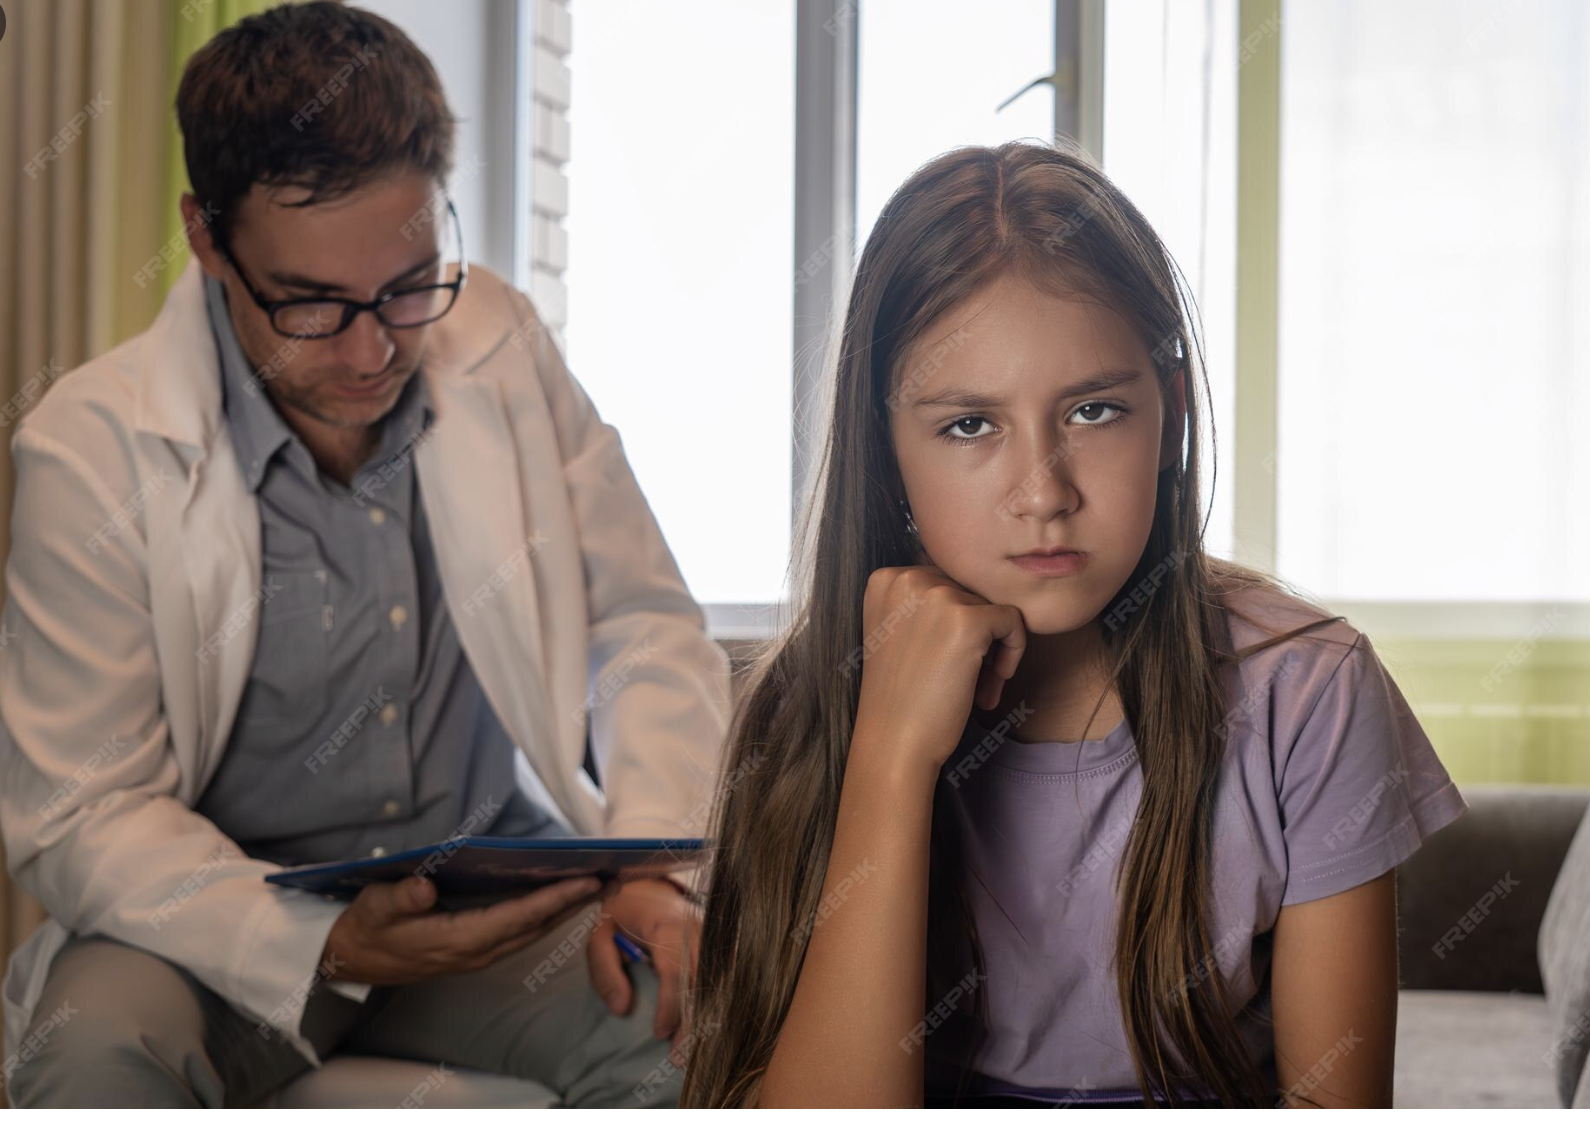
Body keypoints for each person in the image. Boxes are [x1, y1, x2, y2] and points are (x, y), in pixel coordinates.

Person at [0, 2, 729, 1108]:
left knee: (694, 1025)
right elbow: (80, 810)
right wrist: (325, 946)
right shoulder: (89, 449)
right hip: (214, 934)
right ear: (205, 239)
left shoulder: (502, 344)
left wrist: (650, 866)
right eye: (311, 304)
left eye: (407, 284)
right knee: (91, 1060)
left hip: (489, 907)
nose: (373, 349)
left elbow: (643, 622)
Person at [680, 139, 1468, 1108]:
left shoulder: (1309, 692)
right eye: (971, 425)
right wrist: (889, 757)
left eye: (1093, 411)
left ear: (1171, 417)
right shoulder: (805, 706)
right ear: (888, 456)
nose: (1043, 493)